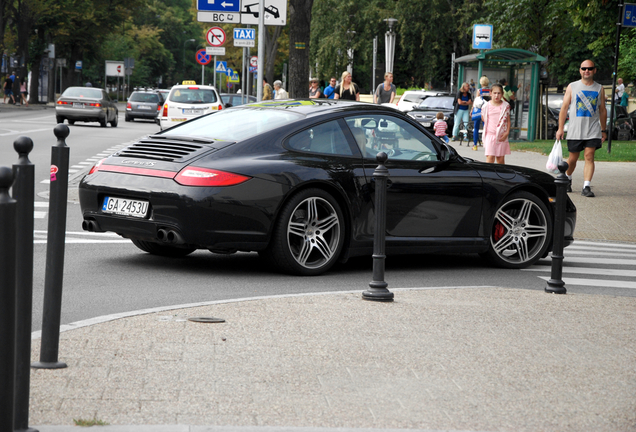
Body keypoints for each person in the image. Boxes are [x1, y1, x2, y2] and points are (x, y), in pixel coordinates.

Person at [556, 59, 607, 198]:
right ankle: (568, 177)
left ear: (594, 70)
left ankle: (586, 186)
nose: (587, 71)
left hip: (592, 130)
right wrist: (560, 128)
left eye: (590, 68)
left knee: (589, 156)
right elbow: (564, 108)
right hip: (575, 130)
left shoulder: (599, 88)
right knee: (572, 159)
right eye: (584, 68)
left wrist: (604, 129)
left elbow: (602, 110)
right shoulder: (572, 86)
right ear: (580, 70)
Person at [481, 83, 511, 164]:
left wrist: (507, 132)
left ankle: (501, 175)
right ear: (490, 93)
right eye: (494, 93)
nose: (496, 95)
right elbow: (483, 118)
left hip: (501, 135)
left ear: (502, 94)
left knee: (500, 159)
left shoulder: (505, 106)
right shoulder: (486, 106)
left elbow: (508, 120)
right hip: (490, 135)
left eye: (499, 93)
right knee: (490, 158)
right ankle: (489, 175)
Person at [471, 76, 490, 150]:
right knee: (486, 127)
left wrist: (472, 110)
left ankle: (475, 145)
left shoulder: (479, 90)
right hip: (487, 111)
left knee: (476, 127)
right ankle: (486, 144)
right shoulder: (490, 90)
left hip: (478, 111)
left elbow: (476, 101)